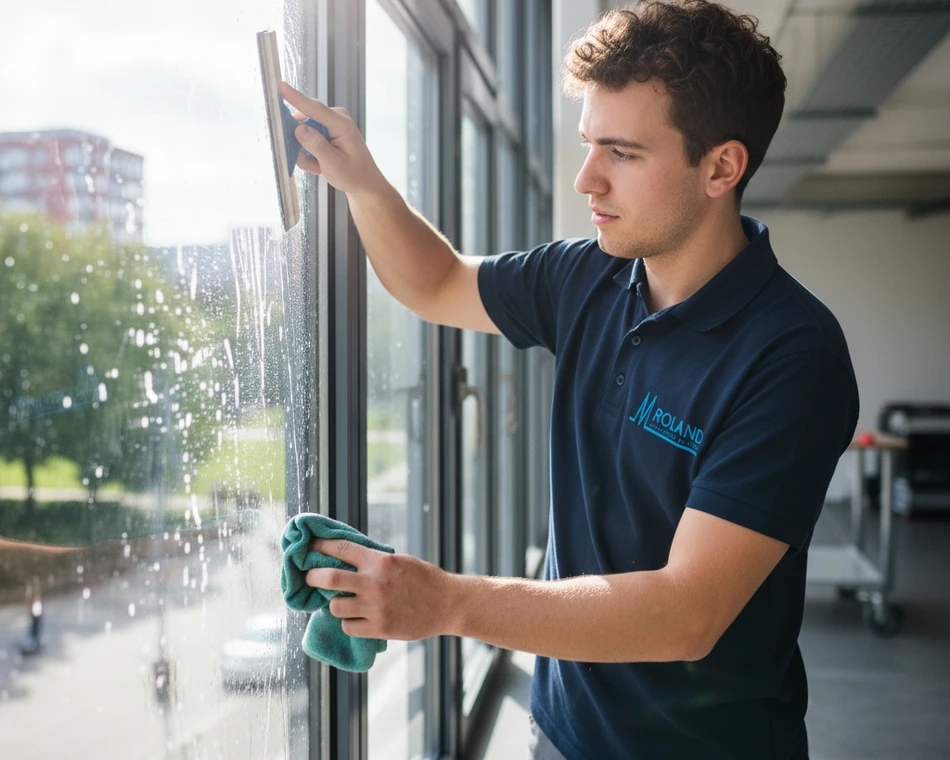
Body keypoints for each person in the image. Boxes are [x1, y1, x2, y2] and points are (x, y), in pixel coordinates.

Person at [281, 1, 859, 758]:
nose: (587, 179)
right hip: (561, 733)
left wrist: (448, 601)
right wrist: (362, 182)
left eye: (621, 153)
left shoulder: (792, 355)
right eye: (590, 143)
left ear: (722, 166)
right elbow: (436, 283)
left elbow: (687, 612)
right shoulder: (587, 274)